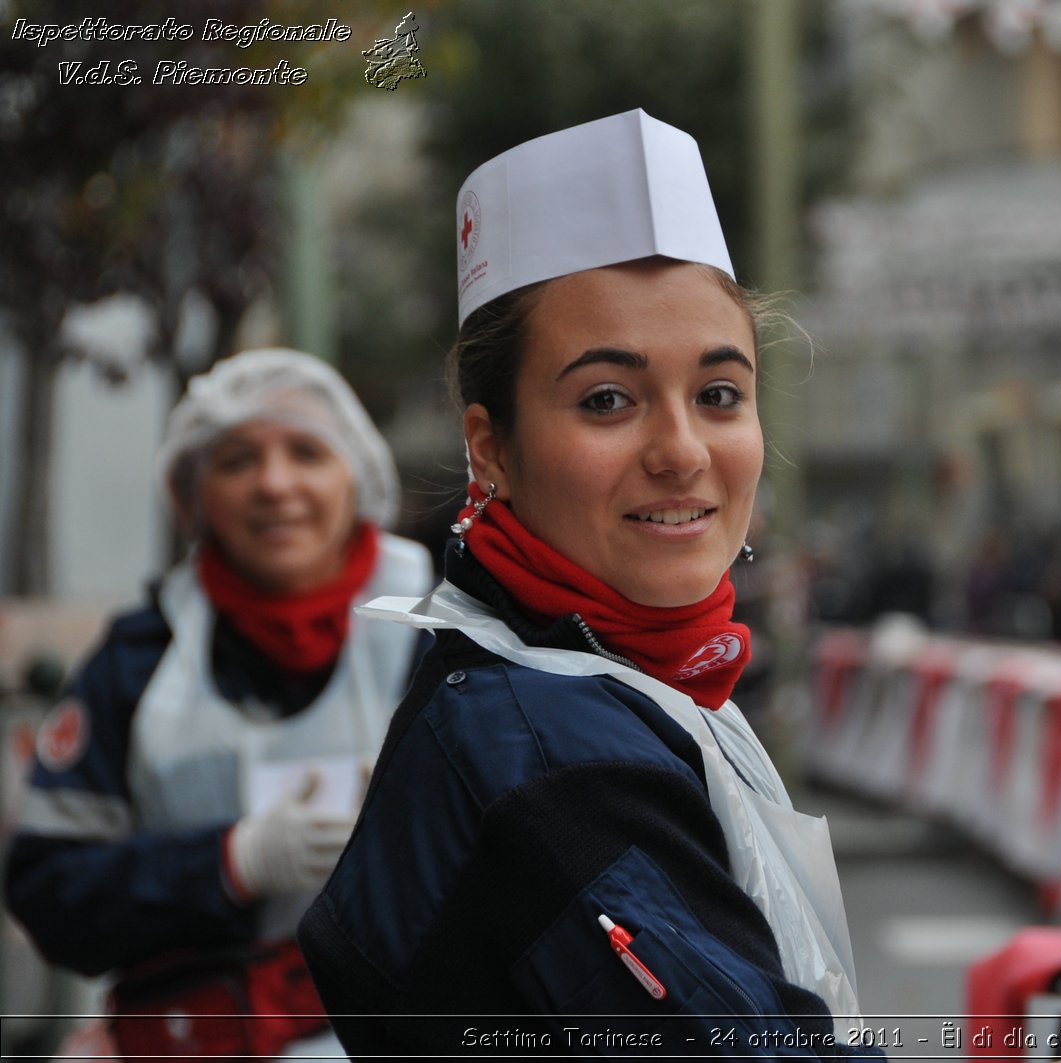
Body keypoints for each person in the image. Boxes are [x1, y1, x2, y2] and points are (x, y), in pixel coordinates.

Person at [298, 110, 876, 1057]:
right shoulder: (544, 753)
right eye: (607, 398)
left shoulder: (635, 683)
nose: (683, 452)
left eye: (719, 394)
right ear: (493, 450)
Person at [4, 349, 433, 1060]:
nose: (274, 484)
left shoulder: (442, 633)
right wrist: (231, 860)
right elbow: (51, 891)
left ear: (357, 476)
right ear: (191, 493)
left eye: (306, 451)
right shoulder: (139, 659)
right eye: (237, 460)